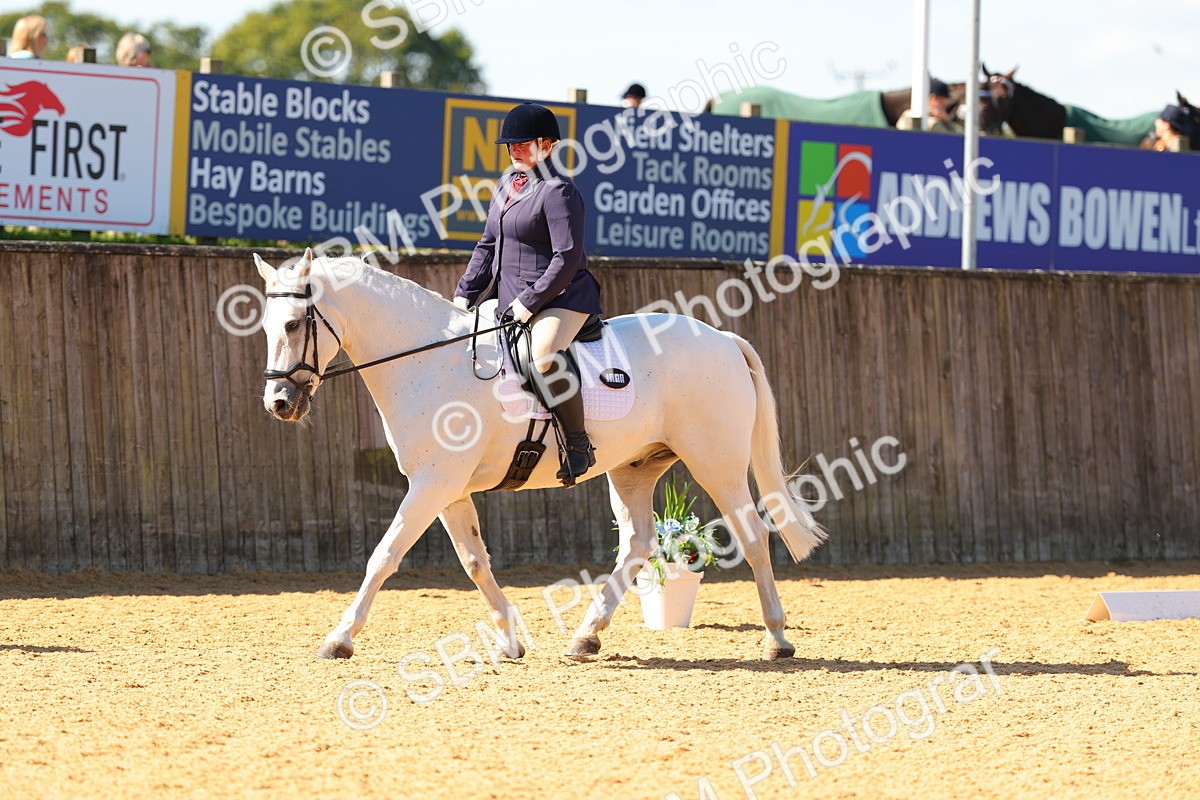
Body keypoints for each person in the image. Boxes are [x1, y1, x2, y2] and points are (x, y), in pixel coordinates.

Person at [453, 102, 603, 485]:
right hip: (509, 299)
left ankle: (579, 443)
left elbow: (567, 257)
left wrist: (529, 302)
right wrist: (463, 295)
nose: (515, 150)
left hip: (561, 297)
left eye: (523, 144)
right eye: (511, 145)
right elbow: (487, 245)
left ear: (547, 144)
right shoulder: (506, 185)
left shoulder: (559, 191)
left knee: (543, 356)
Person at [896, 78, 962, 134]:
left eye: (944, 102)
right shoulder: (909, 116)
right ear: (931, 99)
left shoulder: (943, 121)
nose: (943, 106)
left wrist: (947, 121)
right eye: (940, 101)